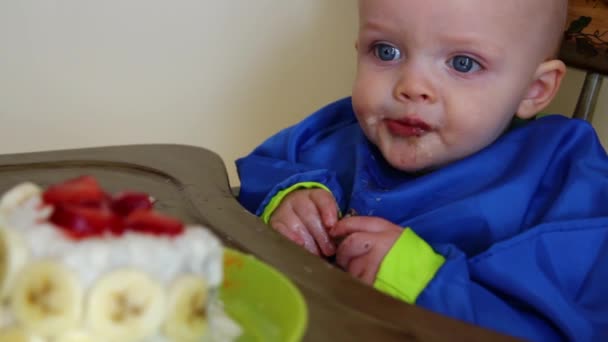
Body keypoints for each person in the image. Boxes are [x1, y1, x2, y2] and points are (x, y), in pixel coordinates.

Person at [236, 0, 607, 340]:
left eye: (463, 63)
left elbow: (562, 325)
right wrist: (289, 197)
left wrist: (425, 283)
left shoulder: (565, 180)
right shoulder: (338, 131)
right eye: (386, 51)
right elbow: (262, 170)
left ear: (534, 89)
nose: (412, 87)